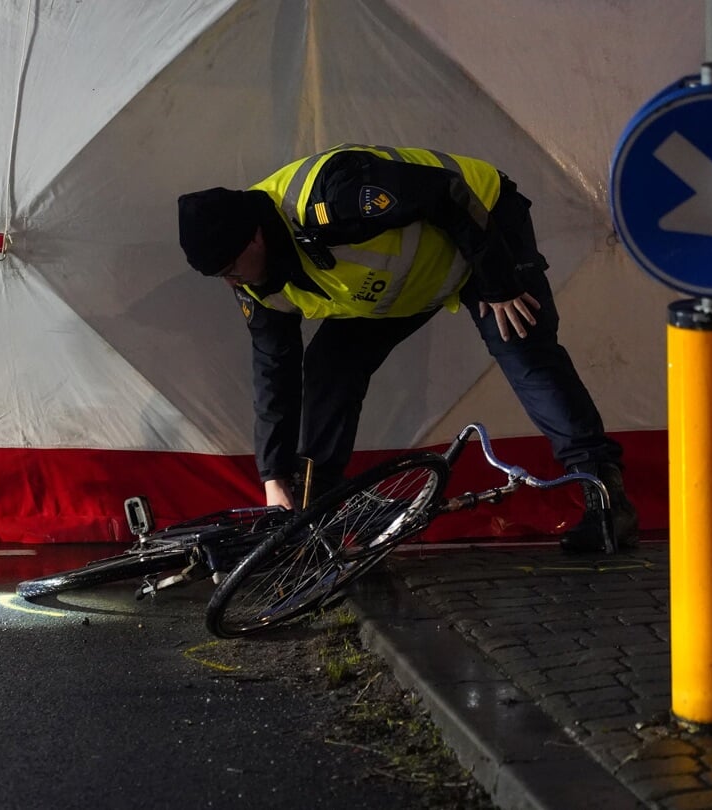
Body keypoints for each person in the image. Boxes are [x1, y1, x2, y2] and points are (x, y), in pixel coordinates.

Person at [177, 143, 637, 553]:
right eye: (220, 276)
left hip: (484, 227)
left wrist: (498, 284)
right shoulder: (253, 283)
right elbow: (273, 374)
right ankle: (321, 517)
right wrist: (273, 477)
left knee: (525, 354)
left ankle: (606, 502)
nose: (231, 282)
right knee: (329, 365)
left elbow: (449, 192)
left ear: (255, 235)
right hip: (404, 287)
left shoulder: (330, 199)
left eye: (232, 267)